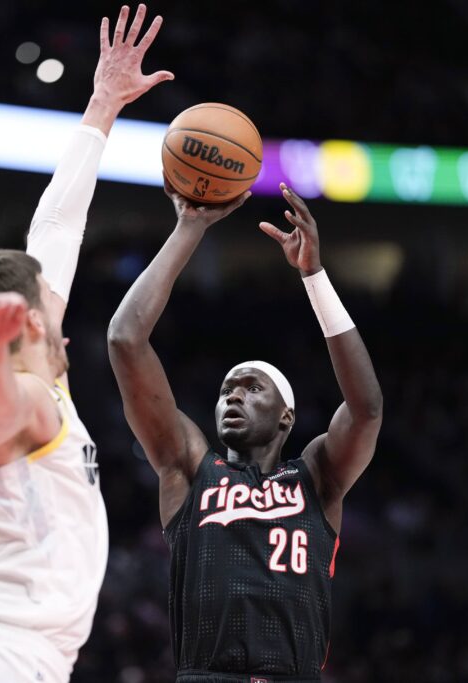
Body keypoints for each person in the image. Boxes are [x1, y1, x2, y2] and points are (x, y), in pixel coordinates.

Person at [0, 6, 173, 682]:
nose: (63, 320)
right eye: (48, 311)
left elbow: (57, 223)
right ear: (25, 325)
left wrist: (102, 106)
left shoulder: (32, 366)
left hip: (15, 658)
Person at [107, 181, 384, 682]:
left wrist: (314, 277)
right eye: (226, 390)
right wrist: (189, 227)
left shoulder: (318, 477)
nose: (232, 396)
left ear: (287, 416)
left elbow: (365, 409)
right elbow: (126, 339)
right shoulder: (190, 468)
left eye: (252, 388)